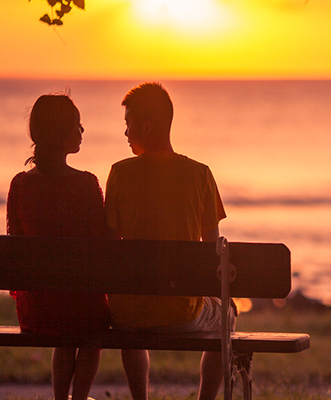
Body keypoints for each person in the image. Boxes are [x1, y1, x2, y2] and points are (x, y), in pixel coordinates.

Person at [105, 82, 231, 400]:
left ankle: (140, 399)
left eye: (128, 124)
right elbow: (212, 252)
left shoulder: (119, 174)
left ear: (146, 127)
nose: (125, 132)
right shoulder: (200, 174)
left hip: (127, 315)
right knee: (227, 314)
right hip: (182, 313)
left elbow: (108, 245)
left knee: (134, 320)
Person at [7, 94, 111, 400]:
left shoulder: (20, 185)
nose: (82, 131)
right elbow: (102, 246)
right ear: (62, 133)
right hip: (82, 307)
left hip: (37, 310)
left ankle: (60, 399)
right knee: (90, 332)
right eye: (77, 126)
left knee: (64, 320)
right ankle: (77, 399)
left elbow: (15, 247)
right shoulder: (86, 185)